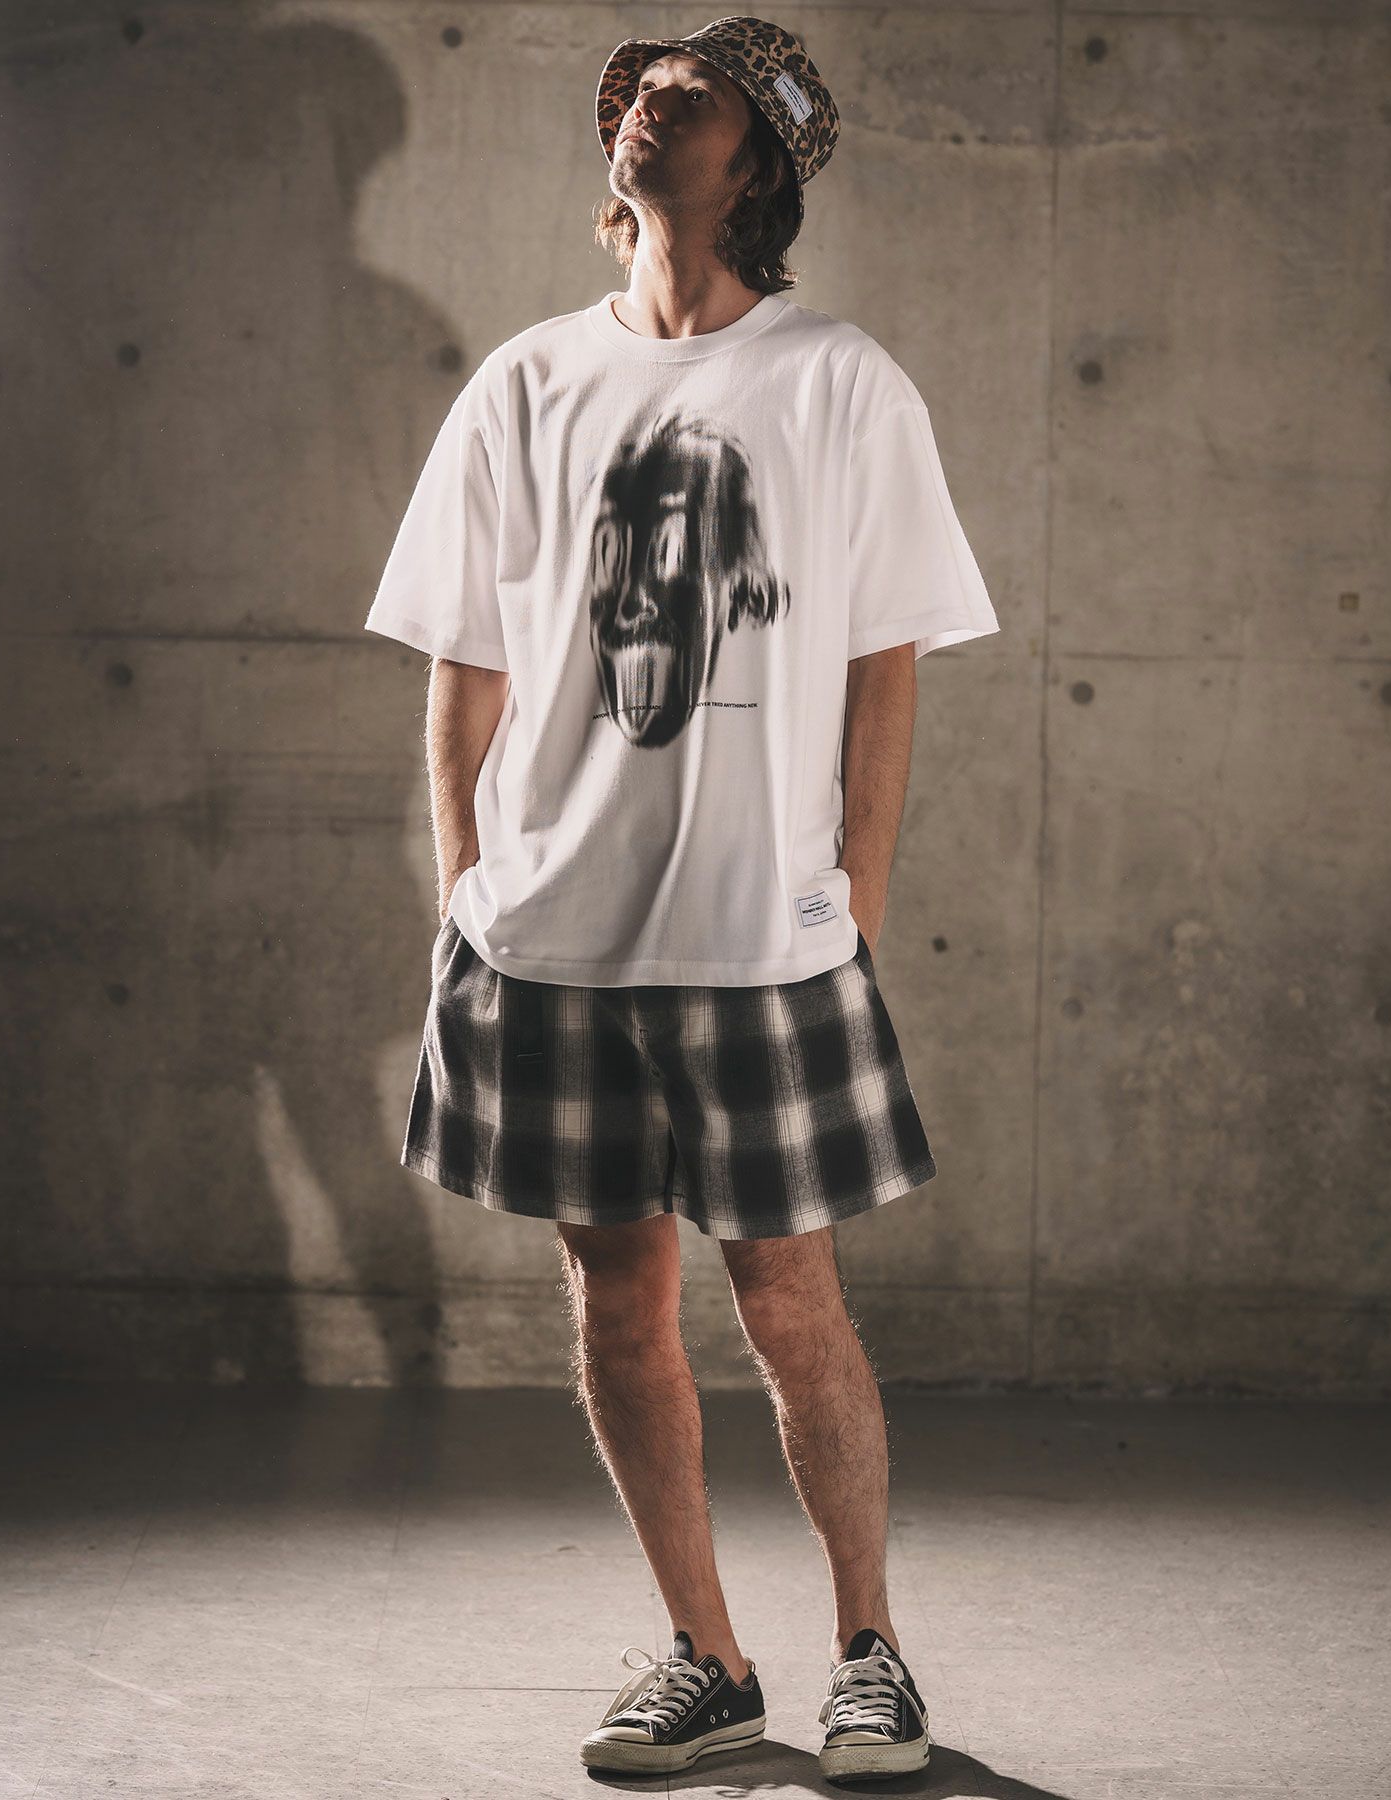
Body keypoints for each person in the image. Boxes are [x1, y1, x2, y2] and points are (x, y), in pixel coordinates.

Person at [364, 14, 999, 1780]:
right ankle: (707, 1658)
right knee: (616, 1303)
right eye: (639, 88)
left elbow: (886, 664)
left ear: (760, 159)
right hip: (548, 940)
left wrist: (854, 905)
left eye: (693, 92)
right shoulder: (524, 383)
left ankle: (870, 1654)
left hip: (758, 939)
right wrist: (467, 894)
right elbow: (464, 665)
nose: (648, 102)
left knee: (792, 1304)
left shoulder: (841, 384)